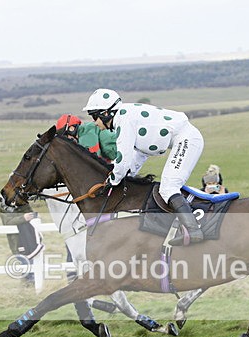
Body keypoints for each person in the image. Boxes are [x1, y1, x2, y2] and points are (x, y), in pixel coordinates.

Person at [83, 88, 204, 245]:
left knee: (168, 188)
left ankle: (194, 230)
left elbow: (123, 159)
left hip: (187, 139)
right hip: (185, 138)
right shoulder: (126, 115)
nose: (94, 123)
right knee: (168, 187)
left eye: (94, 117)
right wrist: (127, 175)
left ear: (106, 113)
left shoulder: (124, 119)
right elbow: (138, 156)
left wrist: (112, 180)